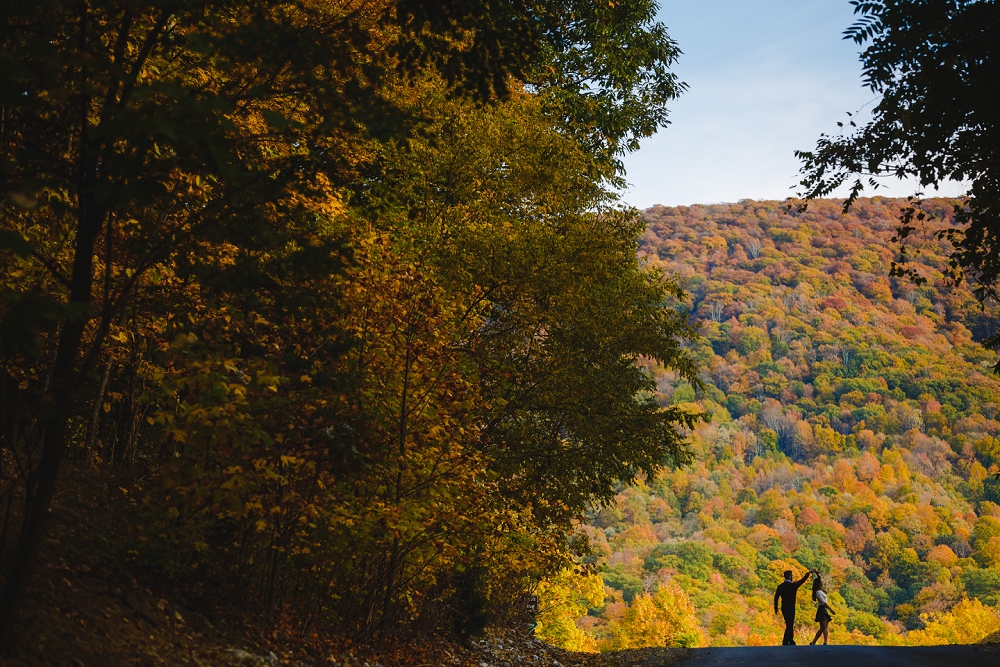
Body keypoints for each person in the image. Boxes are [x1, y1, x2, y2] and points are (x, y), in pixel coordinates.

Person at [773, 568, 812, 645]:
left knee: (789, 624)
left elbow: (776, 597)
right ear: (790, 576)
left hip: (784, 607)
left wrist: (776, 607)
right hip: (791, 607)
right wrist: (808, 574)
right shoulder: (793, 585)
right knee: (790, 624)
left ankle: (790, 640)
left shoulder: (780, 586)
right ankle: (785, 641)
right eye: (792, 575)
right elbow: (802, 581)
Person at [810, 573, 835, 646]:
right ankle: (825, 642)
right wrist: (831, 609)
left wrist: (817, 573)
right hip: (822, 609)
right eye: (821, 583)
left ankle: (813, 642)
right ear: (819, 584)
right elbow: (823, 602)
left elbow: (820, 578)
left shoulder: (819, 591)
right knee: (825, 626)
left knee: (822, 628)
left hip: (822, 609)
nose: (822, 583)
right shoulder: (818, 592)